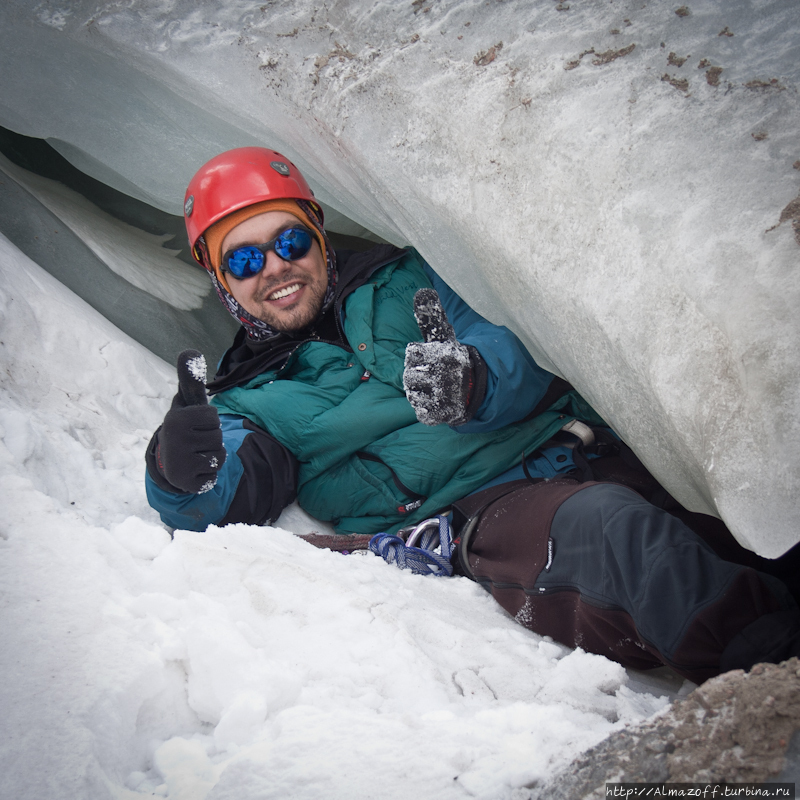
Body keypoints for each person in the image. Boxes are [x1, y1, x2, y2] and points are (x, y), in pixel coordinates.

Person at [146, 146, 800, 685]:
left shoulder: (410, 278)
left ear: (318, 235)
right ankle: (776, 696)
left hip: (598, 449)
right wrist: (182, 472)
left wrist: (473, 380)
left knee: (760, 532)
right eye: (244, 258)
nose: (276, 267)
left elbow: (510, 340)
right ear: (220, 281)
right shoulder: (251, 400)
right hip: (497, 514)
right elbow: (223, 493)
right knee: (619, 533)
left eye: (290, 240)